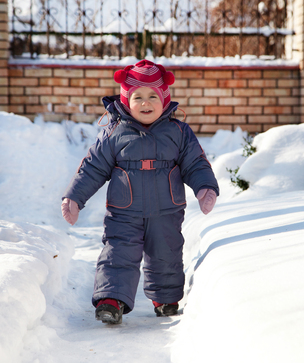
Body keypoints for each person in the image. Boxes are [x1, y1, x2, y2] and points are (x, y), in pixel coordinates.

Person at [61, 59, 219, 325]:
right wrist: (74, 197)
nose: (146, 103)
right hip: (124, 212)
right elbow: (92, 168)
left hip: (166, 210)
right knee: (118, 253)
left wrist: (205, 187)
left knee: (166, 253)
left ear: (164, 98)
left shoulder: (178, 132)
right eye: (138, 97)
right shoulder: (114, 132)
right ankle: (111, 300)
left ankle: (165, 299)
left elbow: (196, 163)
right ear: (126, 100)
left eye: (152, 96)